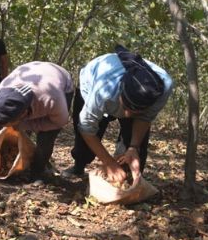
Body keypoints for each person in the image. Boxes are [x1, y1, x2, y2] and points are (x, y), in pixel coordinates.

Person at [61, 45, 173, 183]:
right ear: (120, 92)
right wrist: (108, 162)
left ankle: (127, 177)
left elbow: (145, 118)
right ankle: (79, 165)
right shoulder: (103, 90)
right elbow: (86, 128)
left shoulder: (163, 88)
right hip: (90, 85)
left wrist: (133, 147)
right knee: (83, 142)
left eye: (134, 112)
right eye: (126, 107)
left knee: (135, 144)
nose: (126, 114)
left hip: (125, 98)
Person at [0, 61, 74, 182]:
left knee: (45, 139)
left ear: (23, 114)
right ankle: (23, 161)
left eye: (9, 122)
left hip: (59, 81)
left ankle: (37, 172)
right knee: (18, 132)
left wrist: (26, 125)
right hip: (32, 72)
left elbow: (59, 122)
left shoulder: (52, 100)